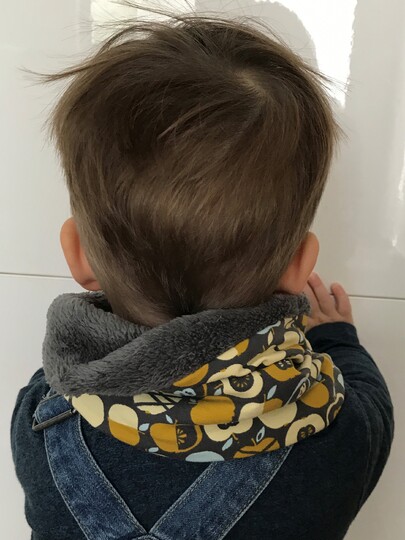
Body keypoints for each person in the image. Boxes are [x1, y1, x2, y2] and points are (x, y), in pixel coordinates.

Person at [10, 10, 394, 540]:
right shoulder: (337, 437)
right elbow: (376, 408)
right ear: (299, 266)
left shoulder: (42, 418)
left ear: (78, 256)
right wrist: (339, 340)